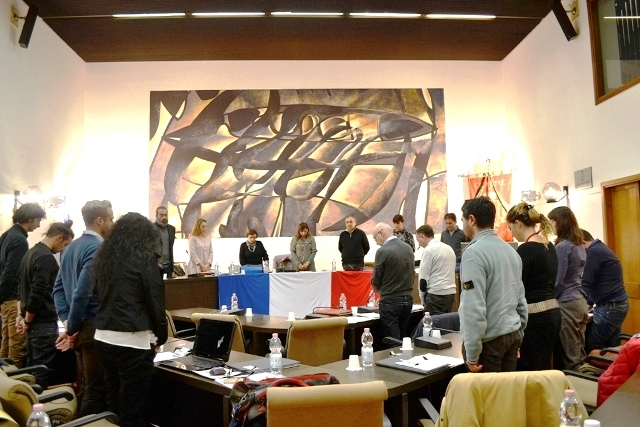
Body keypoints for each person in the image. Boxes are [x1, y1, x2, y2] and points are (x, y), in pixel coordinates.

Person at [92, 212, 167, 427]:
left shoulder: (104, 257)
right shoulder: (145, 259)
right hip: (133, 340)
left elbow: (96, 294)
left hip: (103, 336)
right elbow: (155, 302)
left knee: (114, 401)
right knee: (132, 409)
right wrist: (160, 337)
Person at [53, 200, 113, 416]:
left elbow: (58, 290)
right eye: (111, 219)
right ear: (100, 220)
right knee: (96, 390)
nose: (112, 223)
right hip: (91, 328)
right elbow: (82, 293)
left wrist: (68, 322)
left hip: (79, 327)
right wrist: (72, 328)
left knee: (87, 386)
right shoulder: (98, 248)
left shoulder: (70, 248)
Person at [459, 197, 527, 373]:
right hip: (512, 336)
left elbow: (473, 307)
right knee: (508, 390)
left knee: (488, 392)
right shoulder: (511, 252)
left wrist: (472, 353)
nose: (462, 225)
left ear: (471, 219)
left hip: (489, 344)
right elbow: (521, 301)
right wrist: (518, 338)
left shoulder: (473, 253)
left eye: (462, 220)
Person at [17, 223, 74, 387]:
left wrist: (21, 315)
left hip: (32, 322)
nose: (63, 249)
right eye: (65, 244)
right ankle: (40, 402)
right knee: (41, 372)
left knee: (32, 369)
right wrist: (26, 320)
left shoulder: (30, 253)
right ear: (59, 238)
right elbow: (37, 293)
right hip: (42, 322)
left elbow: (21, 287)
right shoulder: (46, 258)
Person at [506, 202, 561, 371]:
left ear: (518, 223)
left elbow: (516, 286)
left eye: (510, 228)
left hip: (535, 318)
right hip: (553, 313)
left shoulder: (526, 250)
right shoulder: (549, 246)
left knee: (530, 369)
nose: (512, 233)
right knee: (543, 365)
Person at [0, 203, 46, 368]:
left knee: (5, 346)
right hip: (12, 299)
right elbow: (10, 274)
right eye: (38, 220)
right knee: (17, 349)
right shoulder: (19, 240)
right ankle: (15, 383)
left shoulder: (7, 235)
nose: (38, 225)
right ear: (30, 218)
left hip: (6, 301)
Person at [548, 206, 589, 371]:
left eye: (552, 221)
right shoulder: (578, 244)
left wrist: (552, 299)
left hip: (567, 302)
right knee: (579, 352)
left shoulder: (563, 246)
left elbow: (558, 280)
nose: (550, 226)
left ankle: (574, 385)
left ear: (560, 222)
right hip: (580, 301)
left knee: (570, 356)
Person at [580, 229, 628, 352]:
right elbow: (597, 281)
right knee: (611, 347)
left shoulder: (593, 252)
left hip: (609, 307)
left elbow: (586, 282)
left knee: (592, 347)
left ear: (583, 242)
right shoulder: (600, 248)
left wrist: (581, 305)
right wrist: (589, 303)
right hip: (617, 305)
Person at [371, 223, 414, 343]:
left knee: (392, 341)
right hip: (408, 299)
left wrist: (382, 292)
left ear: (381, 232)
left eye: (375, 238)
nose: (376, 242)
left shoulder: (382, 251)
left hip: (390, 301)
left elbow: (376, 278)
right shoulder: (408, 248)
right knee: (403, 339)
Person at [415, 225, 456, 314]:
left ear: (423, 237)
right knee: (446, 321)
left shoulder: (428, 251)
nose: (419, 244)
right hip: (450, 294)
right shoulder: (449, 248)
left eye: (418, 240)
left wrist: (422, 298)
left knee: (432, 322)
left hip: (436, 295)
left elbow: (423, 280)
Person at [154, 206, 175, 278]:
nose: (164, 217)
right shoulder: (151, 228)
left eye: (165, 215)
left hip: (169, 264)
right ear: (156, 216)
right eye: (161, 215)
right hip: (156, 264)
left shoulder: (172, 229)